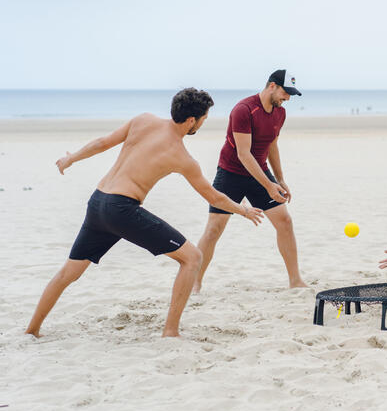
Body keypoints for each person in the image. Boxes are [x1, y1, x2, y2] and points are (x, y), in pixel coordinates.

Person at [25, 88, 264, 338]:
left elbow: (102, 143)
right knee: (192, 258)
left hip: (97, 203)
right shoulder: (182, 156)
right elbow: (213, 196)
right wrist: (243, 210)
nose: (203, 124)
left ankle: (32, 330)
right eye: (203, 119)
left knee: (68, 273)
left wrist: (71, 158)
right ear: (192, 120)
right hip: (122, 210)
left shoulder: (143, 120)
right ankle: (170, 331)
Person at [193, 69, 307, 293]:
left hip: (260, 172)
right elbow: (244, 154)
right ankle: (195, 282)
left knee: (284, 222)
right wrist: (269, 185)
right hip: (231, 173)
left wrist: (280, 179)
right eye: (286, 92)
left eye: (291, 94)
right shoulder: (244, 110)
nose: (288, 98)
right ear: (272, 86)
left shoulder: (279, 113)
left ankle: (295, 280)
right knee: (214, 229)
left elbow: (271, 145)